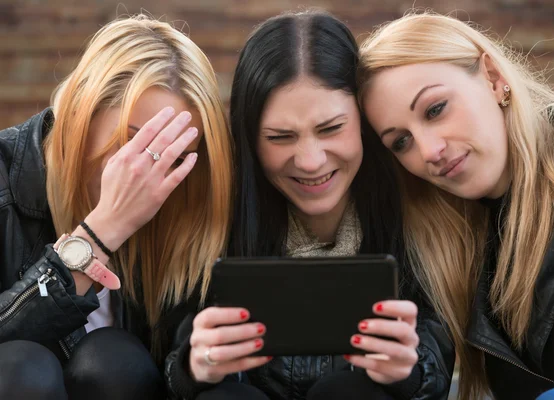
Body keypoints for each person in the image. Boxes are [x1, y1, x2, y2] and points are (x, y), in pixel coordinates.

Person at [165, 10, 454, 400]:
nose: (311, 161)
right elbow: (168, 364)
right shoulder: (215, 214)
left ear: (365, 122)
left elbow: (440, 354)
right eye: (281, 137)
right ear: (250, 141)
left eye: (331, 128)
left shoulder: (417, 203)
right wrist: (192, 369)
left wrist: (409, 369)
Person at [358, 11, 554, 400]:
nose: (429, 151)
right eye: (400, 141)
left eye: (435, 109)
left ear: (492, 78)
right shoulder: (454, 238)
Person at [0, 15, 233, 400]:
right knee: (25, 367)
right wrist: (100, 233)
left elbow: (174, 368)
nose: (150, 171)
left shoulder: (183, 207)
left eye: (175, 158)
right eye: (136, 144)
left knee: (113, 359)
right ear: (79, 113)